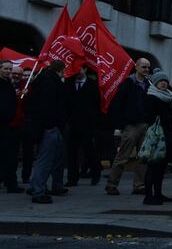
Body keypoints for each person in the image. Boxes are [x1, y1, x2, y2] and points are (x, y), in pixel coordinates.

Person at [106, 58, 151, 196]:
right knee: (123, 156)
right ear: (136, 67)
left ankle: (139, 185)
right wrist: (121, 124)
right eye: (144, 67)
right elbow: (117, 104)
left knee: (142, 158)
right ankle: (112, 184)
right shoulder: (128, 84)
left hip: (145, 124)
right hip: (131, 125)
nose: (146, 70)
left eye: (148, 67)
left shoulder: (149, 84)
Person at [26, 60, 69, 203]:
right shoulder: (51, 82)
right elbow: (49, 106)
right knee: (46, 160)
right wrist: (51, 124)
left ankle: (36, 186)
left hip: (44, 125)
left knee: (48, 158)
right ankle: (38, 191)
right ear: (61, 69)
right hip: (49, 127)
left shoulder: (44, 80)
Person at [142, 70, 172, 205]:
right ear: (155, 83)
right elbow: (149, 116)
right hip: (156, 137)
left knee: (161, 167)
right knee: (153, 166)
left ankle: (158, 193)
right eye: (161, 81)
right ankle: (148, 196)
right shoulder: (151, 97)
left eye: (165, 81)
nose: (164, 83)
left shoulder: (168, 97)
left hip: (166, 135)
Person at [64, 67, 102, 187]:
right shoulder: (68, 83)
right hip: (72, 124)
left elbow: (97, 105)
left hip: (88, 124)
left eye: (80, 69)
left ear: (85, 70)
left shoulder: (93, 85)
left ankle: (95, 173)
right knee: (72, 152)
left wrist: (94, 122)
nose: (78, 71)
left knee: (89, 150)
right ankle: (72, 178)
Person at [0, 60, 25, 193]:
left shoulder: (8, 84)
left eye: (10, 69)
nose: (9, 71)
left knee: (10, 156)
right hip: (4, 126)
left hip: (10, 126)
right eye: (6, 69)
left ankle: (11, 182)